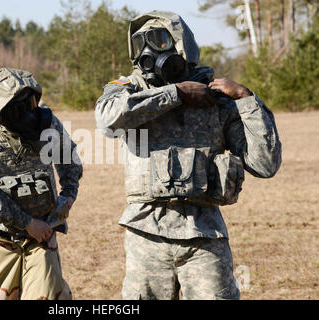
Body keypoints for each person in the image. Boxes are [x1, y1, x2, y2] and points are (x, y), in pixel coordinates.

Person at [95, 11, 282, 300]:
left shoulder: (216, 100)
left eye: (158, 41)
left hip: (205, 237)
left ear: (182, 47)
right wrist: (176, 94)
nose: (148, 52)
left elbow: (265, 164)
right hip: (147, 235)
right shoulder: (131, 92)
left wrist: (246, 100)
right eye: (140, 43)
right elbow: (107, 119)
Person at [0, 67, 83, 300]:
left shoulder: (45, 123)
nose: (28, 112)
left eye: (31, 102)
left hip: (41, 236)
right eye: (18, 107)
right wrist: (27, 222)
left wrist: (68, 196)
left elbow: (69, 158)